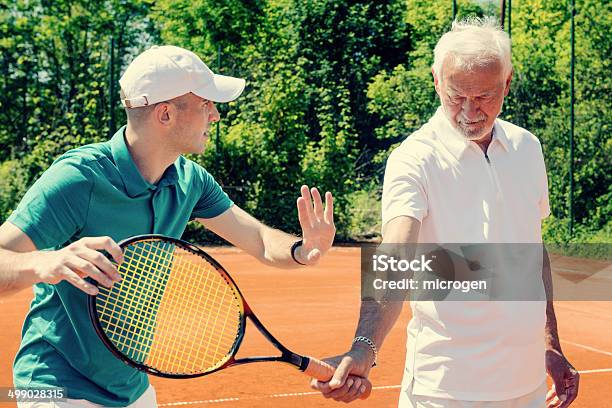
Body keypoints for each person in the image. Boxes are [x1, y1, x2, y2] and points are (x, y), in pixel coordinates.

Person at [0, 45, 338, 407]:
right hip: (56, 387)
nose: (216, 115)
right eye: (206, 103)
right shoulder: (79, 178)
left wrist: (302, 250)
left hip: (133, 387)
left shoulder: (190, 180)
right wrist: (44, 263)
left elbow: (257, 238)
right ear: (165, 114)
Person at [310, 18, 580, 407]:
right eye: (456, 96)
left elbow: (532, 252)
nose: (469, 111)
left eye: (484, 96)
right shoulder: (413, 159)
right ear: (436, 80)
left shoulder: (527, 147)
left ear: (507, 83)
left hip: (527, 389)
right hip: (445, 392)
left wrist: (550, 344)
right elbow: (396, 255)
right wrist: (364, 347)